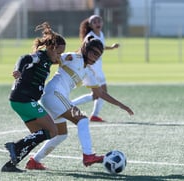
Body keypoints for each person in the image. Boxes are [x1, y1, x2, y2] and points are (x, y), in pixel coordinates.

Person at [25, 36, 134, 170]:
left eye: (98, 55)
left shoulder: (88, 71)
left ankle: (34, 161)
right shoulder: (73, 57)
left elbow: (99, 93)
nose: (95, 57)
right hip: (54, 94)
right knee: (82, 119)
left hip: (55, 98)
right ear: (85, 49)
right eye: (94, 53)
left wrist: (121, 105)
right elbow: (51, 57)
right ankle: (88, 156)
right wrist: (39, 61)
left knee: (61, 135)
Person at [1, 22, 66, 172]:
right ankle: (15, 146)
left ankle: (11, 164)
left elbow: (59, 59)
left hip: (20, 101)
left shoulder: (48, 60)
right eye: (58, 52)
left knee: (37, 136)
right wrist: (17, 70)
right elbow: (24, 58)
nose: (60, 56)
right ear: (50, 48)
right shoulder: (40, 56)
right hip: (24, 100)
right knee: (52, 131)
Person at [72, 15, 120, 122]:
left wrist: (111, 48)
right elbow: (83, 49)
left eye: (99, 21)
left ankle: (93, 115)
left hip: (98, 67)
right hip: (93, 68)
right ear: (90, 25)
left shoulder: (100, 34)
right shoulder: (90, 37)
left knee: (98, 94)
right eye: (94, 22)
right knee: (100, 94)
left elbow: (100, 47)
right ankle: (70, 105)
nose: (97, 23)